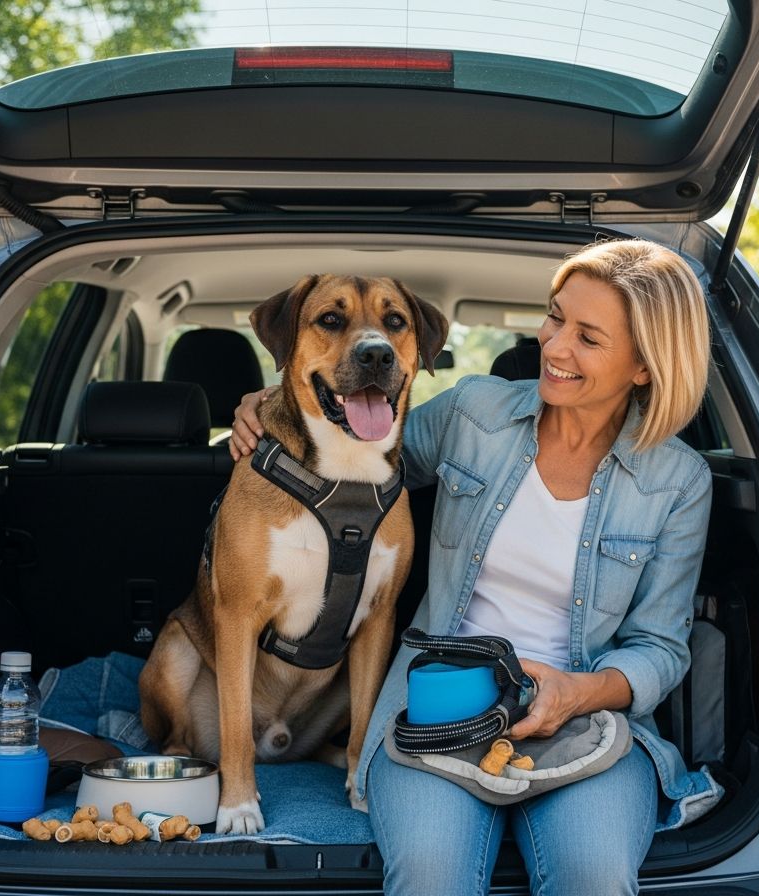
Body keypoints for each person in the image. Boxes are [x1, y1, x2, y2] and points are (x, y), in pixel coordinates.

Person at [229, 239, 719, 896]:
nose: (554, 346)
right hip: (433, 713)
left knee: (594, 877)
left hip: (585, 724)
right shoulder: (474, 413)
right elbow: (352, 433)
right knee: (431, 877)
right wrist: (262, 403)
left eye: (589, 338)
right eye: (554, 318)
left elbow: (660, 648)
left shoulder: (679, 482)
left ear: (644, 365)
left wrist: (577, 693)